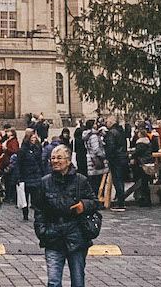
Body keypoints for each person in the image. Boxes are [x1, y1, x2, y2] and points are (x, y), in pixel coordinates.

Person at [33, 145, 101, 287]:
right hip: (53, 236)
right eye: (53, 158)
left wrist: (84, 205)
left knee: (77, 281)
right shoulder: (45, 182)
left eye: (59, 158)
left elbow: (94, 202)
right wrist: (42, 232)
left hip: (76, 236)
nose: (55, 161)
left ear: (69, 161)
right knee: (53, 281)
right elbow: (39, 209)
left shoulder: (80, 180)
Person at [103, 117, 131, 209]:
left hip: (116, 158)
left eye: (107, 122)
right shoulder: (120, 131)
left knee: (117, 180)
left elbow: (111, 147)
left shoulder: (111, 132)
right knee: (120, 180)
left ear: (111, 122)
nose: (106, 123)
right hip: (122, 157)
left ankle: (120, 203)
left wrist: (108, 157)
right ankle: (121, 201)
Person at [17, 128, 45, 221]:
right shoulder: (23, 150)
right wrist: (19, 177)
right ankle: (25, 214)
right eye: (32, 138)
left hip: (36, 175)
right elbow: (19, 164)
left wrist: (42, 172)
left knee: (36, 197)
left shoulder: (37, 148)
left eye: (34, 138)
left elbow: (40, 161)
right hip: (26, 175)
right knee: (25, 196)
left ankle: (37, 215)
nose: (34, 140)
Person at [130, 125, 155, 207]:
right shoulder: (148, 142)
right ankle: (146, 199)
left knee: (142, 183)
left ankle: (144, 200)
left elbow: (137, 153)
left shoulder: (141, 143)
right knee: (145, 183)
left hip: (142, 164)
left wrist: (131, 156)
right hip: (148, 163)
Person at [84, 120, 108, 194]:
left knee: (94, 183)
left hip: (91, 161)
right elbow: (96, 149)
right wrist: (104, 155)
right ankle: (99, 201)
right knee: (99, 183)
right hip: (97, 162)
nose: (96, 125)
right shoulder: (93, 136)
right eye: (94, 123)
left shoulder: (88, 135)